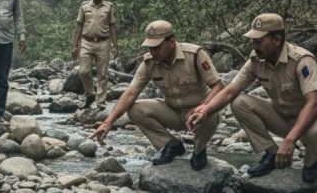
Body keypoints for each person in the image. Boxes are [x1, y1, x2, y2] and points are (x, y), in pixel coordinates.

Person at [187, 13, 317, 182]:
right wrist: (204, 111)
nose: (253, 45)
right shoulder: (256, 60)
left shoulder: (302, 61)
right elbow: (230, 91)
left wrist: (289, 141)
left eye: (258, 41)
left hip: (314, 119)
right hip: (283, 116)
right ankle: (271, 153)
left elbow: (313, 104)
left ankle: (312, 161)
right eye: (253, 40)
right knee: (239, 102)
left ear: (277, 40)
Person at [92, 20, 224, 170]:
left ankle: (199, 149)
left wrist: (204, 107)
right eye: (150, 47)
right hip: (172, 111)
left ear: (171, 42)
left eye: (157, 47)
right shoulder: (149, 62)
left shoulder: (194, 55)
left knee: (211, 111)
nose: (153, 52)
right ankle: (171, 144)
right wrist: (107, 122)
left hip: (199, 113)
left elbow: (218, 87)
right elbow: (130, 93)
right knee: (135, 110)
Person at [72, 0, 118, 108]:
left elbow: (112, 26)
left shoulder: (108, 7)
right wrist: (75, 45)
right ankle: (90, 93)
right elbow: (79, 26)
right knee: (83, 71)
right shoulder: (85, 6)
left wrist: (115, 44)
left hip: (104, 42)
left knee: (102, 73)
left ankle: (101, 102)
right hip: (87, 41)